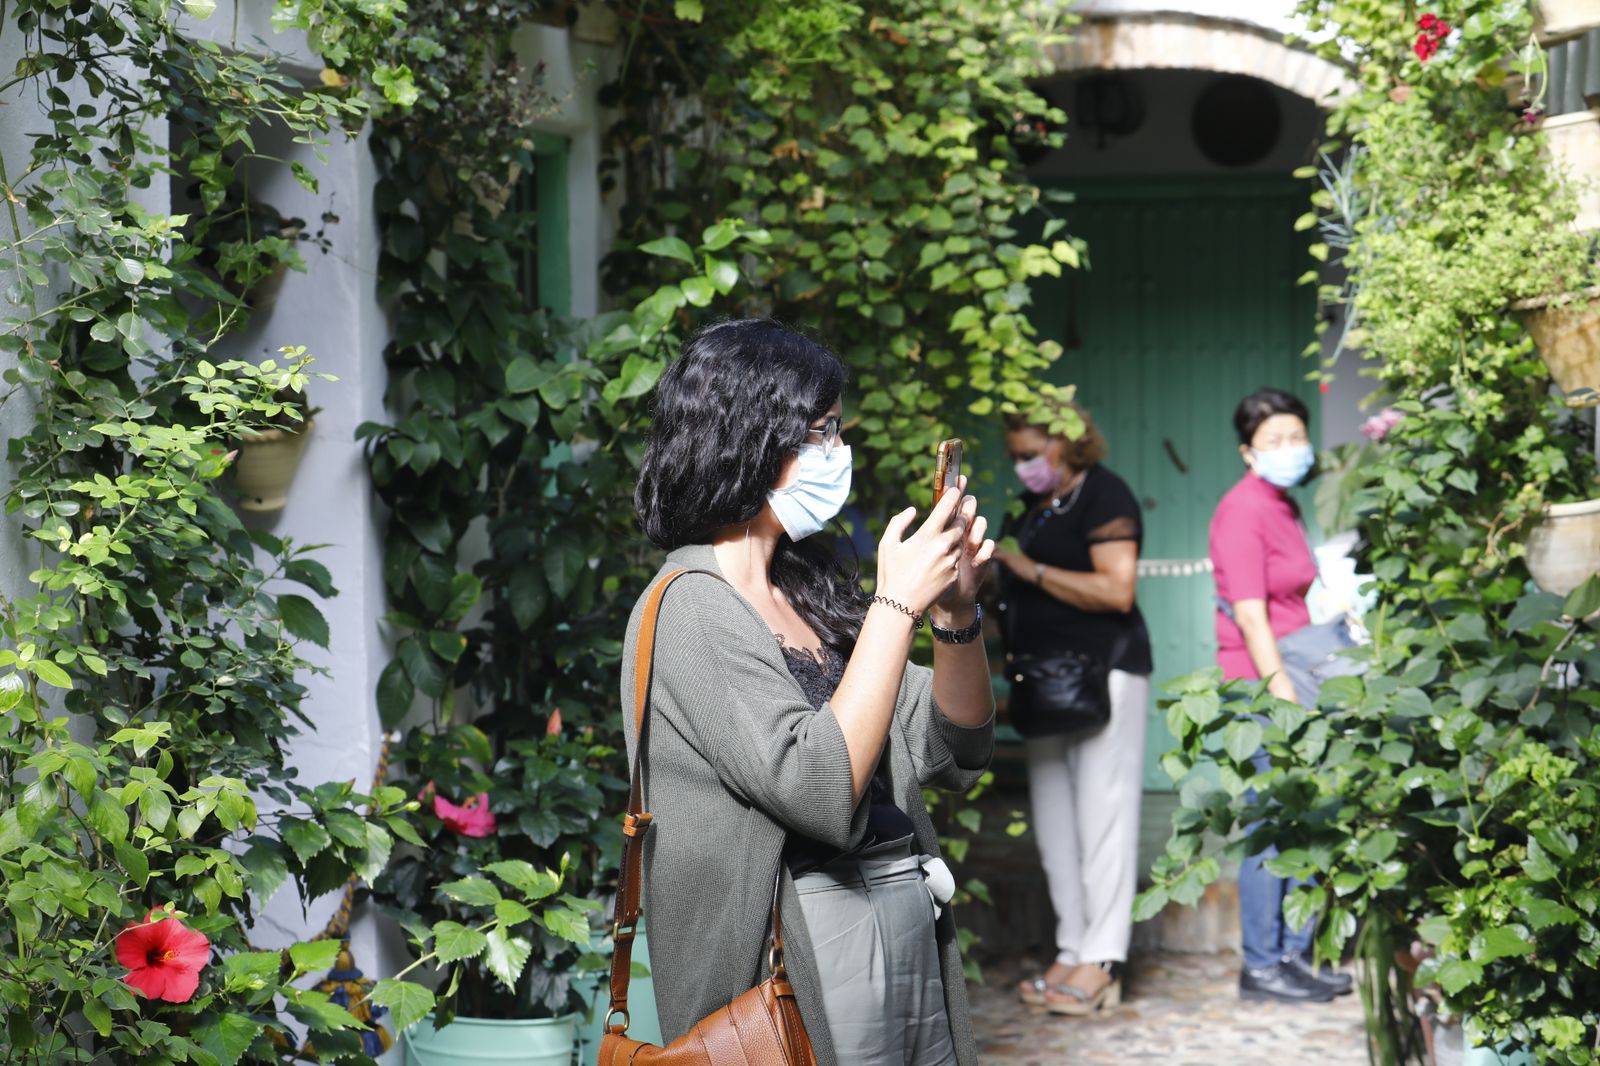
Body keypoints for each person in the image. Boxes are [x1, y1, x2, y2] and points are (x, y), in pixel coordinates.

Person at [624, 319, 998, 1066]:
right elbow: (818, 788)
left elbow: (956, 743)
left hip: (895, 914)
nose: (838, 452)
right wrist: (897, 605)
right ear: (748, 437)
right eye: (821, 432)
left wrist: (956, 615)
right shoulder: (691, 604)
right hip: (796, 952)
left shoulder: (808, 586)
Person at [991, 401, 1152, 1016]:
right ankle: (1072, 944)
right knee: (1055, 823)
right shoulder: (1028, 509)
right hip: (1040, 683)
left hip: (1103, 671)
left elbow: (1117, 589)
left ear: (1066, 442)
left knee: (1103, 814)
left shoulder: (1105, 496)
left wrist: (1024, 567)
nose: (1024, 465)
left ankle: (1103, 959)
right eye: (1016, 457)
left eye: (1033, 453)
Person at [1209, 387, 1353, 1004]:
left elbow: (1296, 595)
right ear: (1248, 452)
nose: (1292, 449)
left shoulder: (1283, 503)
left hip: (1300, 668)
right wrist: (1282, 693)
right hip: (1266, 682)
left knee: (1302, 822)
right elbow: (1249, 615)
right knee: (1270, 824)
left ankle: (1293, 955)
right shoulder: (1242, 509)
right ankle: (1261, 965)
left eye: (1298, 436)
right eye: (1276, 441)